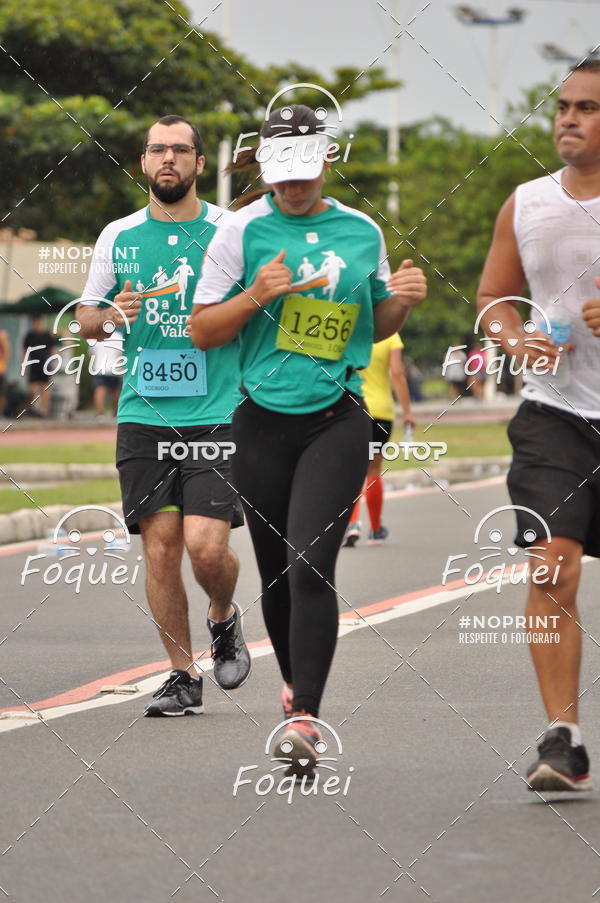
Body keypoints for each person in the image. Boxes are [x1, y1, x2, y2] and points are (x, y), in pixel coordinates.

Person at [191, 104, 427, 773]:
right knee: (275, 573)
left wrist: (403, 299)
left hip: (337, 417)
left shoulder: (360, 230)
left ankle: (306, 716)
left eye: (304, 172)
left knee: (310, 565)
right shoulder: (240, 232)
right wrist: (252, 297)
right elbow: (203, 331)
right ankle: (294, 684)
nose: (293, 187)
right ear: (265, 168)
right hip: (259, 419)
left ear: (327, 161)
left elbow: (372, 325)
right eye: (281, 174)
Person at [77, 115, 250, 717]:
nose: (168, 159)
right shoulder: (118, 237)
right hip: (144, 414)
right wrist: (110, 314)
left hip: (218, 413)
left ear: (200, 163)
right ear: (144, 162)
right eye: (157, 150)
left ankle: (223, 615)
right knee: (160, 549)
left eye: (180, 149)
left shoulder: (231, 231)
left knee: (206, 547)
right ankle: (182, 675)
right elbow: (87, 319)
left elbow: (256, 309)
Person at [477, 59, 600, 792]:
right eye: (563, 106)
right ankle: (564, 734)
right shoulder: (525, 203)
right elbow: (493, 296)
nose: (568, 119)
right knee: (551, 564)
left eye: (587, 107)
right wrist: (511, 333)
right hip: (554, 413)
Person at [343, 332, 415, 546]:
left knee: (352, 469)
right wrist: (407, 411)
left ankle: (352, 523)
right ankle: (375, 530)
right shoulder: (390, 335)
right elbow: (397, 374)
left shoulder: (353, 330)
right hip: (382, 412)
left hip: (353, 408)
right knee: (373, 469)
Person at [21, 315, 55, 416]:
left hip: (44, 364)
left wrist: (53, 362)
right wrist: (23, 363)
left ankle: (44, 410)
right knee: (31, 389)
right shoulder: (29, 336)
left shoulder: (47, 336)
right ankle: (32, 408)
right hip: (33, 364)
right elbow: (24, 351)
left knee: (44, 388)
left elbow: (52, 350)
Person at [88, 330, 123, 419]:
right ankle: (116, 413)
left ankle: (100, 414)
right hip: (115, 369)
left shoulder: (96, 336)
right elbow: (120, 354)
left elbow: (92, 353)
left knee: (100, 390)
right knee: (116, 392)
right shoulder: (118, 336)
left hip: (99, 368)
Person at [0, 328, 11, 416]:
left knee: (1, 392)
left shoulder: (2, 334)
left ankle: (1, 412)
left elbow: (7, 351)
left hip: (1, 368)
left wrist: (4, 365)